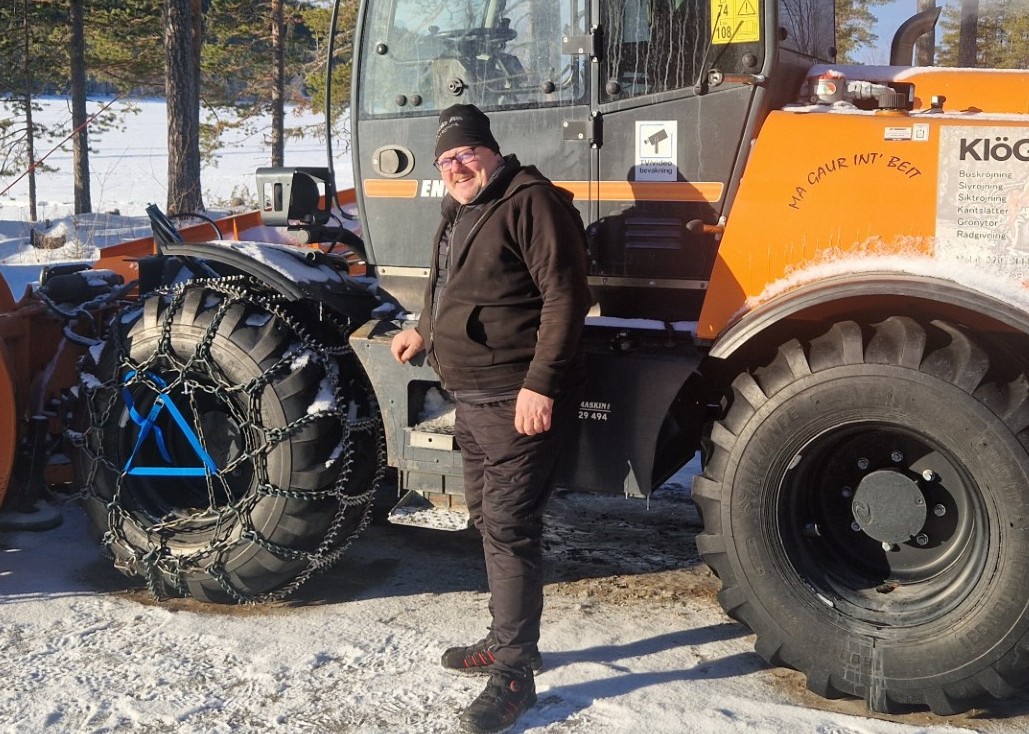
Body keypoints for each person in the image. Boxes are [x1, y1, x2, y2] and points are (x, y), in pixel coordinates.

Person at [390, 103, 591, 733]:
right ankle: (506, 637)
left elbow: (565, 297)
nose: (455, 167)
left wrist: (541, 384)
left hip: (512, 397)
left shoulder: (533, 203)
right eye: (445, 160)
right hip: (470, 396)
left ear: (491, 151)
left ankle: (514, 674)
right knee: (485, 517)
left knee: (508, 528)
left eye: (465, 153)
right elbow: (450, 284)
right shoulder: (460, 209)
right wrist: (423, 330)